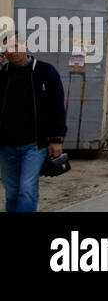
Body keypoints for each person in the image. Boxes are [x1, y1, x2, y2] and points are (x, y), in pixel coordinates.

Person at [0, 35, 67, 212]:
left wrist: (56, 139)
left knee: (27, 190)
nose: (12, 51)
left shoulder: (45, 72)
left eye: (16, 46)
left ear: (26, 45)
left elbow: (57, 107)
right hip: (6, 144)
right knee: (12, 191)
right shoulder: (3, 74)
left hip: (35, 144)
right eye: (7, 48)